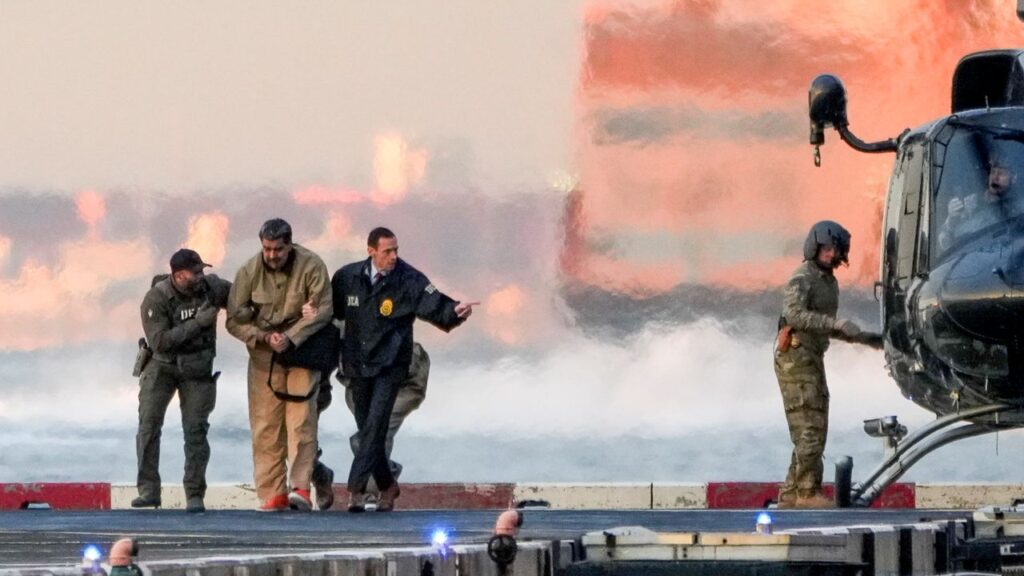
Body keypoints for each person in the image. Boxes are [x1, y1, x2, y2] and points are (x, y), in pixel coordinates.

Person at [332, 227, 476, 512]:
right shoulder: (347, 277)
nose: (393, 256)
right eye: (387, 251)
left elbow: (434, 303)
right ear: (371, 251)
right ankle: (387, 485)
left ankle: (356, 490)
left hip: (391, 364)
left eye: (396, 250)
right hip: (358, 364)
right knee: (367, 428)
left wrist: (454, 312)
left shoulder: (408, 278)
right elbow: (332, 310)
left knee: (376, 425)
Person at [226, 218, 334, 512]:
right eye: (267, 249)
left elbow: (324, 310)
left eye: (278, 249)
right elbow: (233, 320)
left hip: (302, 351)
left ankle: (301, 487)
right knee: (265, 425)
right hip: (264, 356)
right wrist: (262, 336)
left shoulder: (312, 265)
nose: (272, 255)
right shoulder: (248, 271)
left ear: (290, 245)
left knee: (301, 421)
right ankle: (273, 493)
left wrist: (292, 336)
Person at [774, 220, 880, 509]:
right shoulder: (803, 278)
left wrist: (867, 339)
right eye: (827, 248)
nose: (831, 254)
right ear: (815, 247)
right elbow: (795, 316)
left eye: (836, 250)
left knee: (813, 425)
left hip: (811, 357)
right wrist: (836, 324)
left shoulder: (828, 282)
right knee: (809, 427)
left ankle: (791, 493)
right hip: (796, 358)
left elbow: (823, 326)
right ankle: (808, 493)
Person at [133, 248, 231, 514]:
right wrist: (198, 324)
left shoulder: (211, 288)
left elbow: (242, 297)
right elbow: (160, 341)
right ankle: (148, 490)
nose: (200, 276)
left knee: (196, 430)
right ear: (178, 275)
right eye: (195, 272)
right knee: (148, 427)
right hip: (161, 366)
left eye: (202, 271)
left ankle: (195, 493)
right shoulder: (156, 298)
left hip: (197, 368)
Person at [938, 161, 1015, 250]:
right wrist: (951, 220)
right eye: (993, 172)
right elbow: (946, 247)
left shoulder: (1018, 206)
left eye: (1001, 173)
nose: (995, 178)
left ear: (1013, 178)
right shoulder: (969, 204)